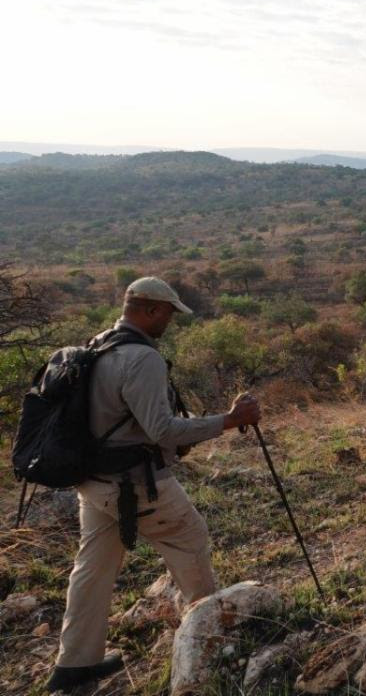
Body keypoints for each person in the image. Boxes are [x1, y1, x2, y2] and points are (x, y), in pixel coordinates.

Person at [48, 278, 261, 694]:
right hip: (135, 483)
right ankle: (211, 645)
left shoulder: (98, 344)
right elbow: (162, 431)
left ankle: (75, 663)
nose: (169, 321)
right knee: (190, 540)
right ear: (148, 310)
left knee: (92, 569)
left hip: (93, 482)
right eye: (167, 313)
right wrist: (230, 420)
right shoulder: (142, 358)